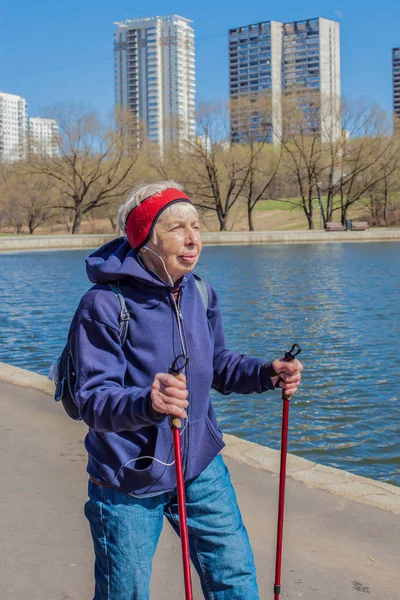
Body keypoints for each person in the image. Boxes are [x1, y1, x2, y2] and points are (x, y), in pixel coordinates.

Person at [69, 181, 303, 600]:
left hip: (198, 464)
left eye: (196, 225)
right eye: (178, 228)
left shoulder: (199, 291)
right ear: (144, 239)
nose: (194, 237)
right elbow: (92, 399)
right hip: (129, 475)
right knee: (126, 592)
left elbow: (218, 367)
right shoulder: (103, 304)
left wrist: (268, 372)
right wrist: (148, 401)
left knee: (235, 577)